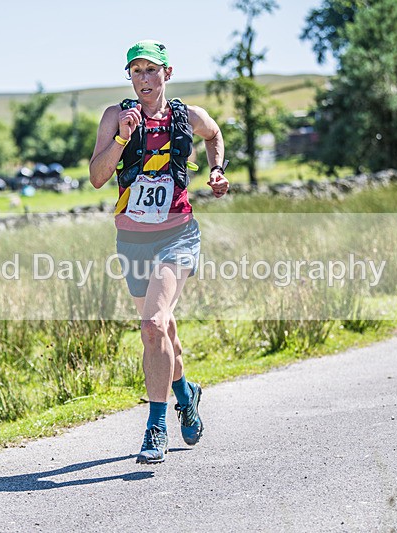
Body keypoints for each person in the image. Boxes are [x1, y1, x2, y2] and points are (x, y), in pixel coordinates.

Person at [89, 40, 229, 464]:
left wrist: (217, 169)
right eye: (137, 72)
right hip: (132, 240)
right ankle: (187, 393)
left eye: (152, 71)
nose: (144, 79)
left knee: (151, 324)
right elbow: (97, 177)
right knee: (163, 330)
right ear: (129, 77)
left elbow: (214, 134)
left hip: (177, 234)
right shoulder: (116, 116)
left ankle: (155, 427)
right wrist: (121, 137)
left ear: (167, 74)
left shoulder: (187, 116)